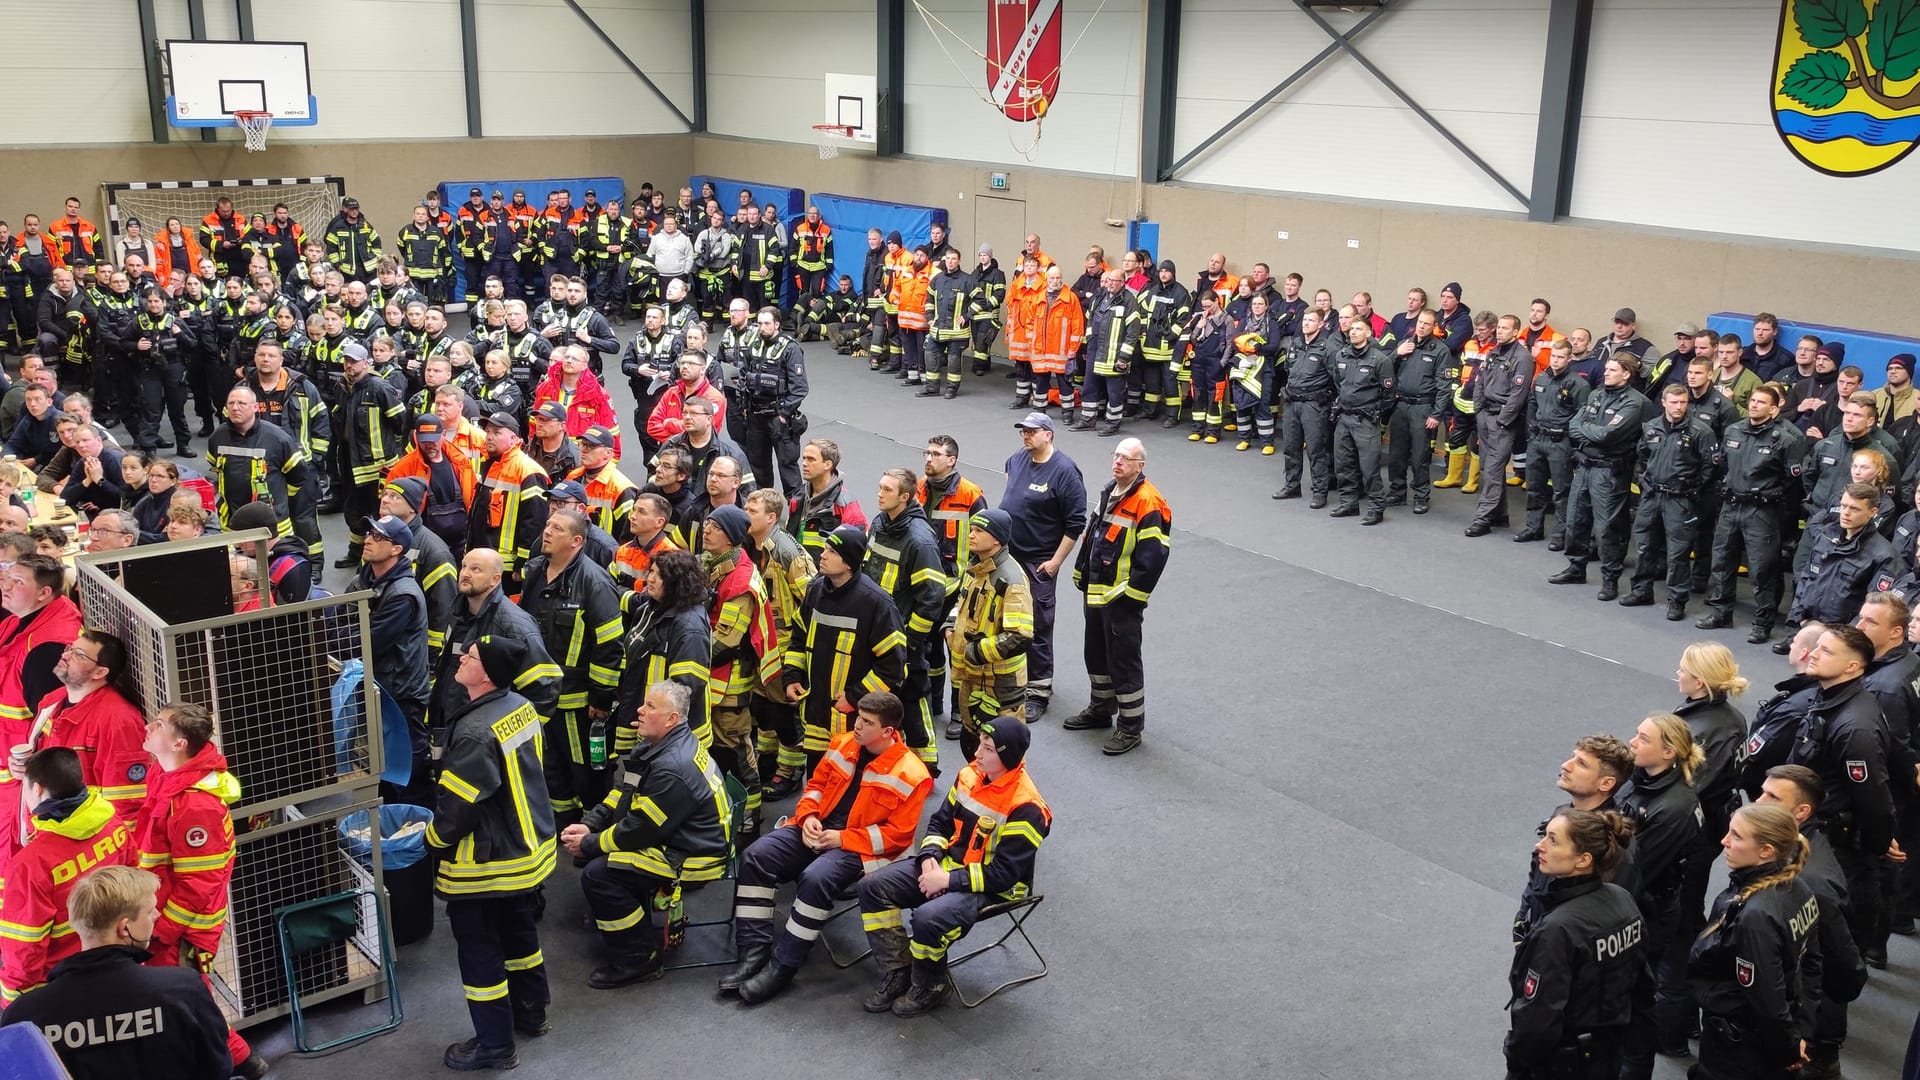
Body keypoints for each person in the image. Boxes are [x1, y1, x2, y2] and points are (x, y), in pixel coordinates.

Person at [724, 690, 934, 1004]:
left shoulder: (913, 774)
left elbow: (896, 837)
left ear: (888, 732)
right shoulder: (843, 743)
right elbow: (816, 786)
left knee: (816, 878)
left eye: (866, 722)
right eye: (857, 718)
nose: (857, 726)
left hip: (864, 849)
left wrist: (841, 839)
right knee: (757, 856)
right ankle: (753, 951)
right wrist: (807, 816)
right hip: (818, 829)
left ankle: (784, 965)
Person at [857, 716, 1050, 1018]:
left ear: (1007, 756)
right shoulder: (969, 775)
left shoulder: (1027, 809)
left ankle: (932, 985)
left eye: (987, 750)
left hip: (994, 888)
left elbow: (1004, 875)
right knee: (872, 887)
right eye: (980, 747)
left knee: (927, 919)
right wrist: (929, 857)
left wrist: (946, 880)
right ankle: (899, 969)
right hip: (946, 867)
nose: (977, 755)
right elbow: (939, 822)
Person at [427, 638, 557, 1072]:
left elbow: (458, 811)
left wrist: (429, 841)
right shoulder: (520, 706)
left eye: (470, 658)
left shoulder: (474, 732)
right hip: (527, 850)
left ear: (487, 675)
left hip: (487, 865)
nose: (460, 660)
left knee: (480, 951)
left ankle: (495, 1046)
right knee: (520, 935)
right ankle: (531, 1011)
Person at [563, 680, 729, 990]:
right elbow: (623, 793)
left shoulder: (672, 766)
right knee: (606, 859)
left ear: (671, 720)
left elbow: (638, 832)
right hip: (679, 837)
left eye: (650, 706)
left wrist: (589, 845)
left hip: (693, 855)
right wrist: (591, 823)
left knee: (600, 874)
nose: (639, 709)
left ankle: (638, 958)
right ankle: (632, 923)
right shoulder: (654, 745)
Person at [0, 866, 235, 1080]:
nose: (157, 916)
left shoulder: (24, 1015)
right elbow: (217, 1067)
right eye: (150, 910)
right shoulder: (184, 990)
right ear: (124, 927)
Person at [132, 701, 258, 1077]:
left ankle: (239, 1060)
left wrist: (160, 933)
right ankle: (241, 1060)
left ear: (179, 744)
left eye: (159, 725)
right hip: (159, 914)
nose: (149, 727)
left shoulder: (194, 805)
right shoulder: (166, 775)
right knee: (187, 997)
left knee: (186, 999)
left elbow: (198, 884)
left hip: (179, 927)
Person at [1652, 642, 1750, 1055]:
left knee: (1678, 931)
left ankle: (1672, 1029)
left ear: (1701, 680)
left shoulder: (1710, 727)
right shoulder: (1724, 717)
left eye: (1683, 669)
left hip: (1692, 840)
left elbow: (1690, 788)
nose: (1677, 674)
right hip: (1708, 831)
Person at [1787, 623, 1896, 975]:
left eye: (1827, 651)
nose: (1814, 653)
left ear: (1853, 667)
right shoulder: (1830, 696)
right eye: (1817, 646)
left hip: (1837, 844)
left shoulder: (1854, 726)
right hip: (1816, 831)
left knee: (1825, 946)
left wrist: (1879, 843)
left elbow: (1873, 797)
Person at [1505, 808, 1642, 1080]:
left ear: (1583, 859)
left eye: (1553, 840)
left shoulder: (1558, 928)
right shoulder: (1622, 898)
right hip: (1607, 1051)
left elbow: (1538, 1019)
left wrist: (1516, 1061)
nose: (1540, 845)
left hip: (1559, 1064)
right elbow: (1641, 981)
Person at [1686, 803, 1820, 1080]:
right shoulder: (1798, 886)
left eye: (1736, 836)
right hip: (1780, 1028)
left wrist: (1789, 1049)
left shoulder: (1756, 915)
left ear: (1766, 851)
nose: (1724, 841)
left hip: (1742, 1046)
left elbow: (1766, 997)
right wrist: (1800, 1034)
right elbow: (1811, 967)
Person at [0, 747, 137, 1005]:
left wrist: (13, 1004)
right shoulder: (112, 824)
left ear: (37, 789)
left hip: (59, 984)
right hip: (113, 964)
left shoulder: (31, 864)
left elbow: (24, 949)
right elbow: (134, 882)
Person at [1757, 764, 1869, 1079]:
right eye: (1763, 791)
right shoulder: (1794, 849)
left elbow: (1843, 964)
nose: (1758, 801)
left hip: (1811, 1031)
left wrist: (1816, 1033)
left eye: (1772, 797)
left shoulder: (1812, 881)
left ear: (1801, 811)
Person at [518, 510, 625, 824]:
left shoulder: (594, 582)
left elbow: (609, 644)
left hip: (578, 702)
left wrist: (601, 698)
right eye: (548, 523)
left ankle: (591, 827)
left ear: (577, 541)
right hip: (538, 695)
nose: (547, 531)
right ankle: (563, 821)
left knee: (586, 767)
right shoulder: (535, 572)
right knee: (549, 763)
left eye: (557, 528)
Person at [1615, 712, 1704, 1080]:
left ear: (1668, 753)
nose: (1633, 742)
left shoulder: (1675, 808)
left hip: (1648, 914)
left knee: (1636, 1004)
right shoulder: (1641, 781)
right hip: (1637, 903)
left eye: (1642, 738)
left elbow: (1636, 870)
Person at [782, 525, 908, 772]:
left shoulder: (875, 603)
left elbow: (893, 666)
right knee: (818, 779)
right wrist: (792, 676)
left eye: (832, 551)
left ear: (849, 562)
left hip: (854, 722)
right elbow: (798, 636)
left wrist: (855, 697)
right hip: (817, 714)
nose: (822, 555)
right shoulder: (816, 590)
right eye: (825, 549)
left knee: (850, 785)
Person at [1698, 383, 1805, 642]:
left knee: (1762, 568)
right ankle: (1721, 611)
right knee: (1722, 561)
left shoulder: (1786, 439)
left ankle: (1763, 621)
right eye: (1753, 400)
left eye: (1761, 402)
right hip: (1731, 505)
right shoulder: (1734, 431)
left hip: (1762, 510)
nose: (1754, 405)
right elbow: (1722, 465)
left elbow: (1793, 482)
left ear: (1774, 407)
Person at [0, 554, 83, 879]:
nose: (6, 585)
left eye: (18, 581)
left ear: (44, 593)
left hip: (19, 778)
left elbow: (52, 725)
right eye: (8, 576)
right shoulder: (21, 620)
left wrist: (32, 768)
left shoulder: (45, 648)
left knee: (13, 864)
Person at [1000, 413, 1085, 722]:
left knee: (1037, 625)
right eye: (1024, 430)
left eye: (1032, 431)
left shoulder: (1064, 471)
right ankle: (1015, 678)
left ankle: (1038, 691)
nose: (1026, 435)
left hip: (1039, 562)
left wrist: (1055, 562)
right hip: (1010, 556)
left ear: (1048, 435)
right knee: (1008, 620)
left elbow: (1076, 522)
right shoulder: (1016, 460)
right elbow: (1011, 492)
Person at [429, 548, 562, 744]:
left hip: (486, 739)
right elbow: (447, 670)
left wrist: (516, 737)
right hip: (452, 727)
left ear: (495, 579)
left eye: (476, 569)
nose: (465, 574)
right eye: (464, 566)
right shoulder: (458, 613)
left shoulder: (514, 626)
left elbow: (545, 688)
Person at [701, 504, 779, 834]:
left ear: (732, 538)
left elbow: (723, 645)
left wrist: (682, 647)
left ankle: (749, 821)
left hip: (729, 686)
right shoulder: (713, 564)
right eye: (707, 524)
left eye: (715, 527)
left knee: (736, 753)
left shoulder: (741, 582)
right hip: (711, 683)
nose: (706, 530)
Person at [1550, 355, 1653, 599]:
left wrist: (1588, 432)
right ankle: (1576, 567)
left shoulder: (1635, 403)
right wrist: (1590, 433)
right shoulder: (1597, 394)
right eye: (1606, 369)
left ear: (1626, 373)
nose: (1605, 373)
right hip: (1585, 466)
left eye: (1612, 370)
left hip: (1610, 471)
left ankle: (1610, 579)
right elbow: (1574, 424)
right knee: (1576, 519)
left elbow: (1608, 436)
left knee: (1608, 528)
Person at [864, 469, 946, 772]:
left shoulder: (919, 540)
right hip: (880, 630)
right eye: (880, 487)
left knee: (913, 695)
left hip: (903, 637)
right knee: (885, 697)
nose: (880, 493)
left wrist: (911, 640)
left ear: (905, 497)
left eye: (887, 489)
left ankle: (926, 764)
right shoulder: (880, 523)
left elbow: (932, 597)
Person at [26, 629, 149, 820]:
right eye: (70, 648)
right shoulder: (52, 701)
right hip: (51, 829)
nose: (65, 655)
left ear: (100, 672)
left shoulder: (119, 721)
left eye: (79, 655)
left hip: (84, 837)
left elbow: (125, 804)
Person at [1620, 385, 1720, 619]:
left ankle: (1677, 600)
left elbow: (1710, 468)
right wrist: (1643, 481)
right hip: (1652, 495)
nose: (1678, 407)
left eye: (1683, 402)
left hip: (1680, 499)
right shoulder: (1651, 427)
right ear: (1664, 402)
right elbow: (1642, 457)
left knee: (1678, 552)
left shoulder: (1700, 432)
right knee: (1644, 545)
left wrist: (1692, 489)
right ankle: (1641, 590)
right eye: (1674, 402)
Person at [353, 514, 432, 802]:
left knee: (406, 767)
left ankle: (416, 824)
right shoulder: (365, 578)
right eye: (369, 534)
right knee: (381, 764)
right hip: (378, 687)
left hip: (401, 694)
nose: (368, 540)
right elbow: (340, 619)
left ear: (396, 549)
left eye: (377, 536)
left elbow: (368, 642)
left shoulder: (403, 594)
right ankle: (390, 819)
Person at [946, 507, 1034, 761]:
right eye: (971, 529)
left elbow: (1020, 635)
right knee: (973, 741)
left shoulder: (1011, 580)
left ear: (996, 539)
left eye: (979, 531)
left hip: (1000, 683)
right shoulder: (976, 568)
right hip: (971, 675)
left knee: (1003, 753)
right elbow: (960, 604)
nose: (971, 535)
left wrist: (974, 652)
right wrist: (949, 626)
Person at [1781, 483, 1895, 652]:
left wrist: (1845, 637)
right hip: (1808, 626)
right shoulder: (1825, 536)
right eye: (1843, 506)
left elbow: (1875, 606)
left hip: (1843, 639)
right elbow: (1806, 578)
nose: (1846, 513)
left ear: (1872, 512)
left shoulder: (1883, 554)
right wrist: (1798, 618)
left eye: (1855, 509)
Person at [332, 341, 407, 567]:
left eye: (354, 361)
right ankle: (356, 552)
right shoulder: (343, 387)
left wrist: (389, 450)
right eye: (346, 361)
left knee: (377, 511)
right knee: (353, 509)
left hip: (376, 464)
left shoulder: (379, 387)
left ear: (366, 363)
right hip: (350, 461)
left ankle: (376, 558)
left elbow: (400, 421)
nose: (349, 365)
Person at [378, 477, 459, 662]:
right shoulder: (378, 538)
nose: (385, 499)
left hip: (412, 652)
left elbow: (443, 610)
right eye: (384, 494)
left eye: (394, 496)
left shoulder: (435, 553)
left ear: (413, 508)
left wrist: (429, 658)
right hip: (385, 640)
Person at [1519, 338, 1591, 543]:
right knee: (1534, 486)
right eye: (1553, 357)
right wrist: (1531, 428)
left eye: (1560, 357)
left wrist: (1573, 443)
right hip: (1537, 439)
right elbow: (1532, 403)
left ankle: (1561, 534)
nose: (1556, 361)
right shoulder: (1541, 378)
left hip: (1561, 442)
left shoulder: (1579, 384)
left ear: (1569, 359)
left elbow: (1582, 416)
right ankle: (1533, 527)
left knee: (1562, 491)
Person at [1466, 314, 1533, 533]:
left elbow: (1518, 395)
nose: (1500, 331)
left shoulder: (1522, 358)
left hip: (1504, 420)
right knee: (1489, 467)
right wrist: (1478, 410)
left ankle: (1483, 518)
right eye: (1500, 328)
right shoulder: (1493, 352)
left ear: (1516, 332)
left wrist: (1503, 421)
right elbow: (1479, 381)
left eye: (1505, 328)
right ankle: (1500, 514)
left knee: (1493, 469)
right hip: (1485, 415)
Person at [468, 411, 550, 590]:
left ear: (514, 439)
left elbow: (534, 523)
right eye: (488, 432)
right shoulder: (486, 462)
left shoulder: (528, 471)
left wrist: (522, 563)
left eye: (496, 433)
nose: (489, 437)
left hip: (507, 566)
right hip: (483, 555)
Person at [731, 306, 808, 495]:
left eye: (767, 323)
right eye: (759, 323)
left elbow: (800, 388)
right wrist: (743, 406)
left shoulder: (790, 349)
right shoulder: (753, 346)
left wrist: (784, 415)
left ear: (777, 324)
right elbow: (742, 377)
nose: (762, 327)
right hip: (755, 416)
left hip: (778, 417)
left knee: (787, 466)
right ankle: (763, 507)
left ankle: (795, 512)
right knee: (758, 465)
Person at [1329, 319, 1395, 525]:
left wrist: (1374, 410)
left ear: (1369, 333)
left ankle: (1376, 508)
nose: (1354, 332)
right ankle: (1349, 503)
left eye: (1359, 329)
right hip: (1344, 417)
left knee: (1369, 468)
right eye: (1352, 329)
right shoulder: (1341, 355)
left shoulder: (1380, 360)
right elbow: (1338, 383)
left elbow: (1389, 394)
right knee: (1343, 464)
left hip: (1366, 420)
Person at [785, 437, 865, 560]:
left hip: (827, 576)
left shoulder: (845, 504)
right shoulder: (798, 497)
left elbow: (856, 548)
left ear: (827, 465)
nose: (804, 463)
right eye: (804, 458)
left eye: (811, 459)